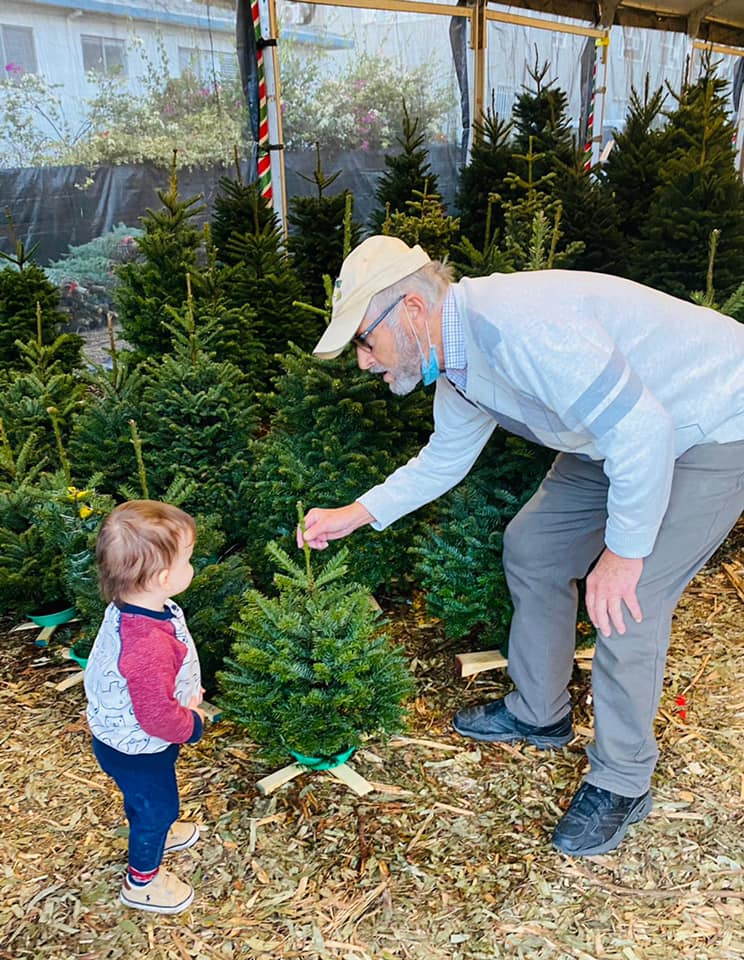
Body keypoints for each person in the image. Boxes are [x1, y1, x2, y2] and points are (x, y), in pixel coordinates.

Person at [297, 235, 744, 857]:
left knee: (628, 599)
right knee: (534, 546)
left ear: (412, 311)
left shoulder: (522, 327)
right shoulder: (456, 365)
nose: (364, 362)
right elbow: (444, 458)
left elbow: (644, 430)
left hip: (710, 425)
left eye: (365, 342)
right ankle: (540, 711)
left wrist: (623, 554)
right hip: (615, 436)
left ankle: (622, 778)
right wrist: (356, 513)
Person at [84, 500, 205, 914]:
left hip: (124, 739)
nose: (192, 566)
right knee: (156, 807)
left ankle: (156, 830)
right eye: (188, 558)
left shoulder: (132, 606)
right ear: (163, 577)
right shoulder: (147, 643)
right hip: (137, 747)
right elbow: (155, 716)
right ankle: (142, 882)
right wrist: (192, 724)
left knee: (146, 798)